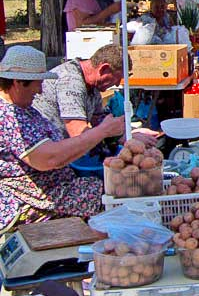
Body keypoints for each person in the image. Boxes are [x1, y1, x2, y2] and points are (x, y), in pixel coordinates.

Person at [0, 46, 125, 231]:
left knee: (116, 187)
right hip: (32, 199)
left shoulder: (25, 109)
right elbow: (49, 159)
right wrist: (102, 132)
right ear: (18, 82)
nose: (41, 90)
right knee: (113, 196)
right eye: (38, 83)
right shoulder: (7, 116)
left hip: (55, 187)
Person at [32, 44, 157, 145]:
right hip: (47, 149)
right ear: (103, 69)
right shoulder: (71, 81)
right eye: (117, 77)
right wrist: (126, 139)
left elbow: (99, 120)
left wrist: (131, 131)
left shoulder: (93, 87)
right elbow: (79, 134)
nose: (118, 83)